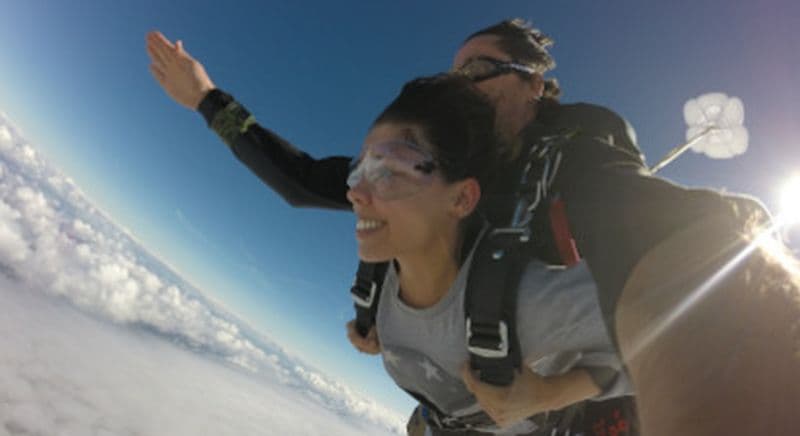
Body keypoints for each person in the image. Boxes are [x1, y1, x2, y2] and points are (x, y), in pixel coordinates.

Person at [146, 18, 800, 434]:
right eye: (455, 72)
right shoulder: (436, 159)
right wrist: (209, 100)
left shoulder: (575, 147)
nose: (461, 85)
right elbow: (306, 181)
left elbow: (669, 252)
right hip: (455, 398)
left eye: (478, 71)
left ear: (536, 85)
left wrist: (545, 393)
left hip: (566, 396)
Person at [346, 73, 632, 435]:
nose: (356, 191)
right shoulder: (375, 282)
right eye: (358, 169)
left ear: (462, 198)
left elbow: (683, 333)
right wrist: (377, 332)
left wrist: (554, 393)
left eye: (390, 167)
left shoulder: (527, 302)